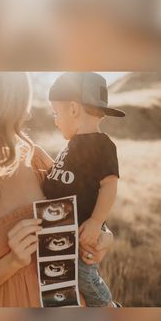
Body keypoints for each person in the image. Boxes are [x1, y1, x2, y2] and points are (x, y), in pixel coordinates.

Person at [0, 72, 113, 307]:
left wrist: (104, 236)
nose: (26, 113)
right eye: (18, 103)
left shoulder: (34, 158)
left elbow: (81, 209)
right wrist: (13, 261)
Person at [44, 72, 125, 307]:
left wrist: (97, 221)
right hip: (61, 234)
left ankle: (108, 307)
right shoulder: (72, 145)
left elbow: (109, 185)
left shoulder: (102, 145)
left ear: (73, 109)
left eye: (56, 113)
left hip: (80, 235)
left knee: (84, 278)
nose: (55, 120)